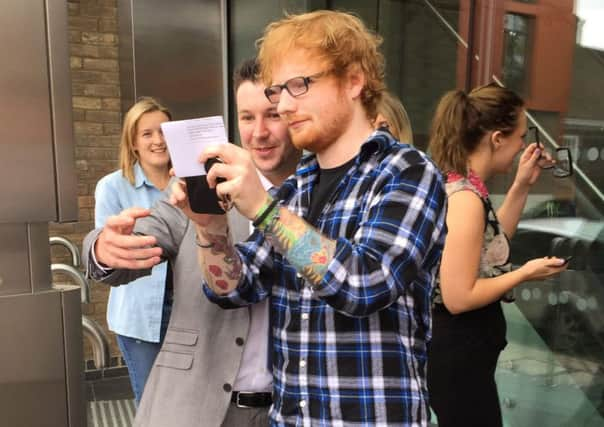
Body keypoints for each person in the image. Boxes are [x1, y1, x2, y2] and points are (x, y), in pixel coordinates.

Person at [169, 11, 447, 426]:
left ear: (354, 81)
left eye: (299, 85)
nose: (283, 105)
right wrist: (210, 229)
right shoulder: (295, 188)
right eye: (278, 90)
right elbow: (235, 288)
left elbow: (365, 283)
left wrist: (263, 209)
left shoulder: (406, 171)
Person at [83, 58, 301, 427]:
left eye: (273, 115)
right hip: (195, 406)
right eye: (247, 117)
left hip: (293, 410)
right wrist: (103, 248)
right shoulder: (201, 191)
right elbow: (143, 233)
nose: (259, 132)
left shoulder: (324, 201)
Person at [426, 83, 568, 427]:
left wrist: (521, 186)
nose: (523, 146)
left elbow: (487, 247)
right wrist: (524, 273)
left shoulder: (466, 186)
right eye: (520, 136)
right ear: (497, 138)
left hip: (463, 356)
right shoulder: (464, 198)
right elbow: (459, 297)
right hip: (458, 357)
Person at [92, 97, 172, 404]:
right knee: (152, 404)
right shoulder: (112, 187)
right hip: (140, 316)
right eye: (148, 134)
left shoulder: (190, 183)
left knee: (189, 405)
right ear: (134, 143)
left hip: (190, 315)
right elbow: (107, 256)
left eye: (164, 131)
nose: (158, 140)